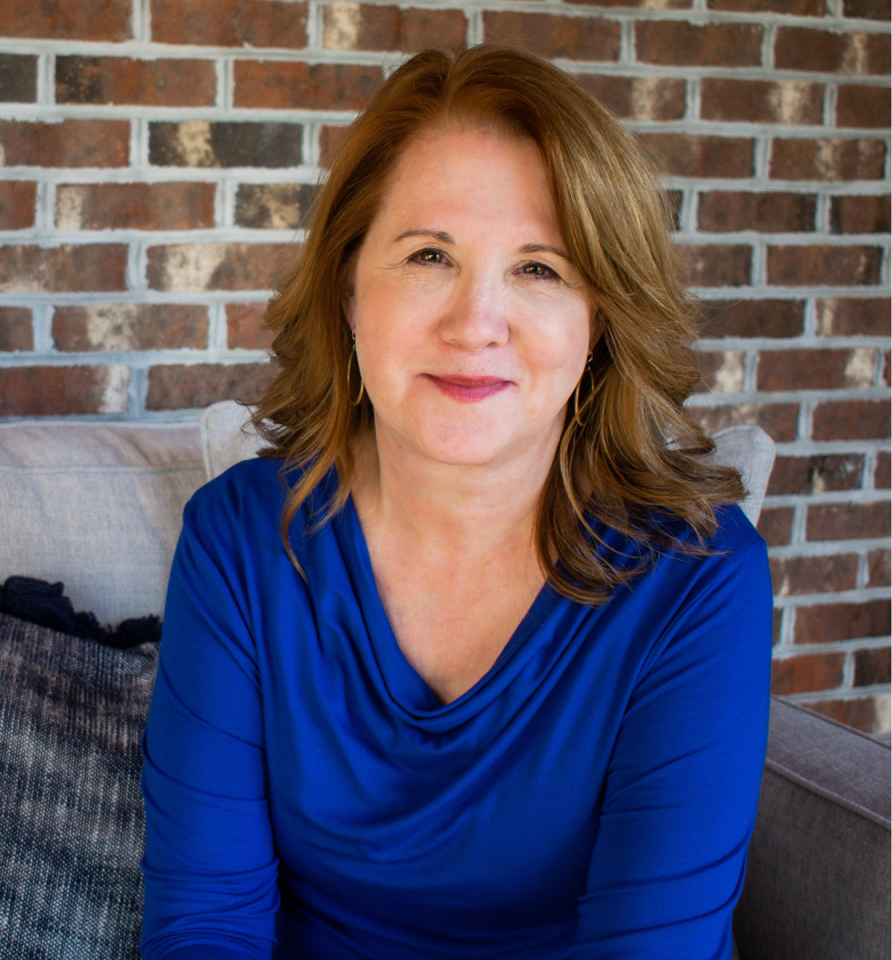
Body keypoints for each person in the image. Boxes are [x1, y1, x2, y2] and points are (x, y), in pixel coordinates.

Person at [140, 44, 772, 960]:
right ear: (350, 286)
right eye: (430, 254)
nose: (476, 323)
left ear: (599, 322)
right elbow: (203, 930)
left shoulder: (697, 578)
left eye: (540, 269)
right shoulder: (241, 540)